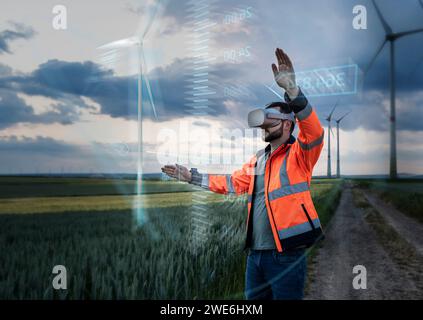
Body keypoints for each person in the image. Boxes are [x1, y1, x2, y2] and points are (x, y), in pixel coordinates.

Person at [161, 48, 324, 300]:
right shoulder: (259, 159)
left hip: (286, 255)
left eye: (271, 120)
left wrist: (292, 89)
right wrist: (190, 177)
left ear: (287, 124)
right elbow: (230, 182)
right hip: (255, 257)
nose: (263, 126)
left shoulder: (299, 155)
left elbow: (313, 131)